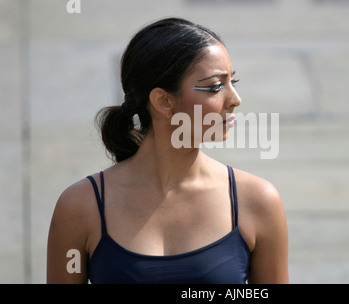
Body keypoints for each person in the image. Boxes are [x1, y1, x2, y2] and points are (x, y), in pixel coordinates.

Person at [46, 17, 289, 284]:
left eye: (233, 81)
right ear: (163, 101)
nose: (235, 100)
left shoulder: (257, 202)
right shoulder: (80, 207)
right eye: (215, 87)